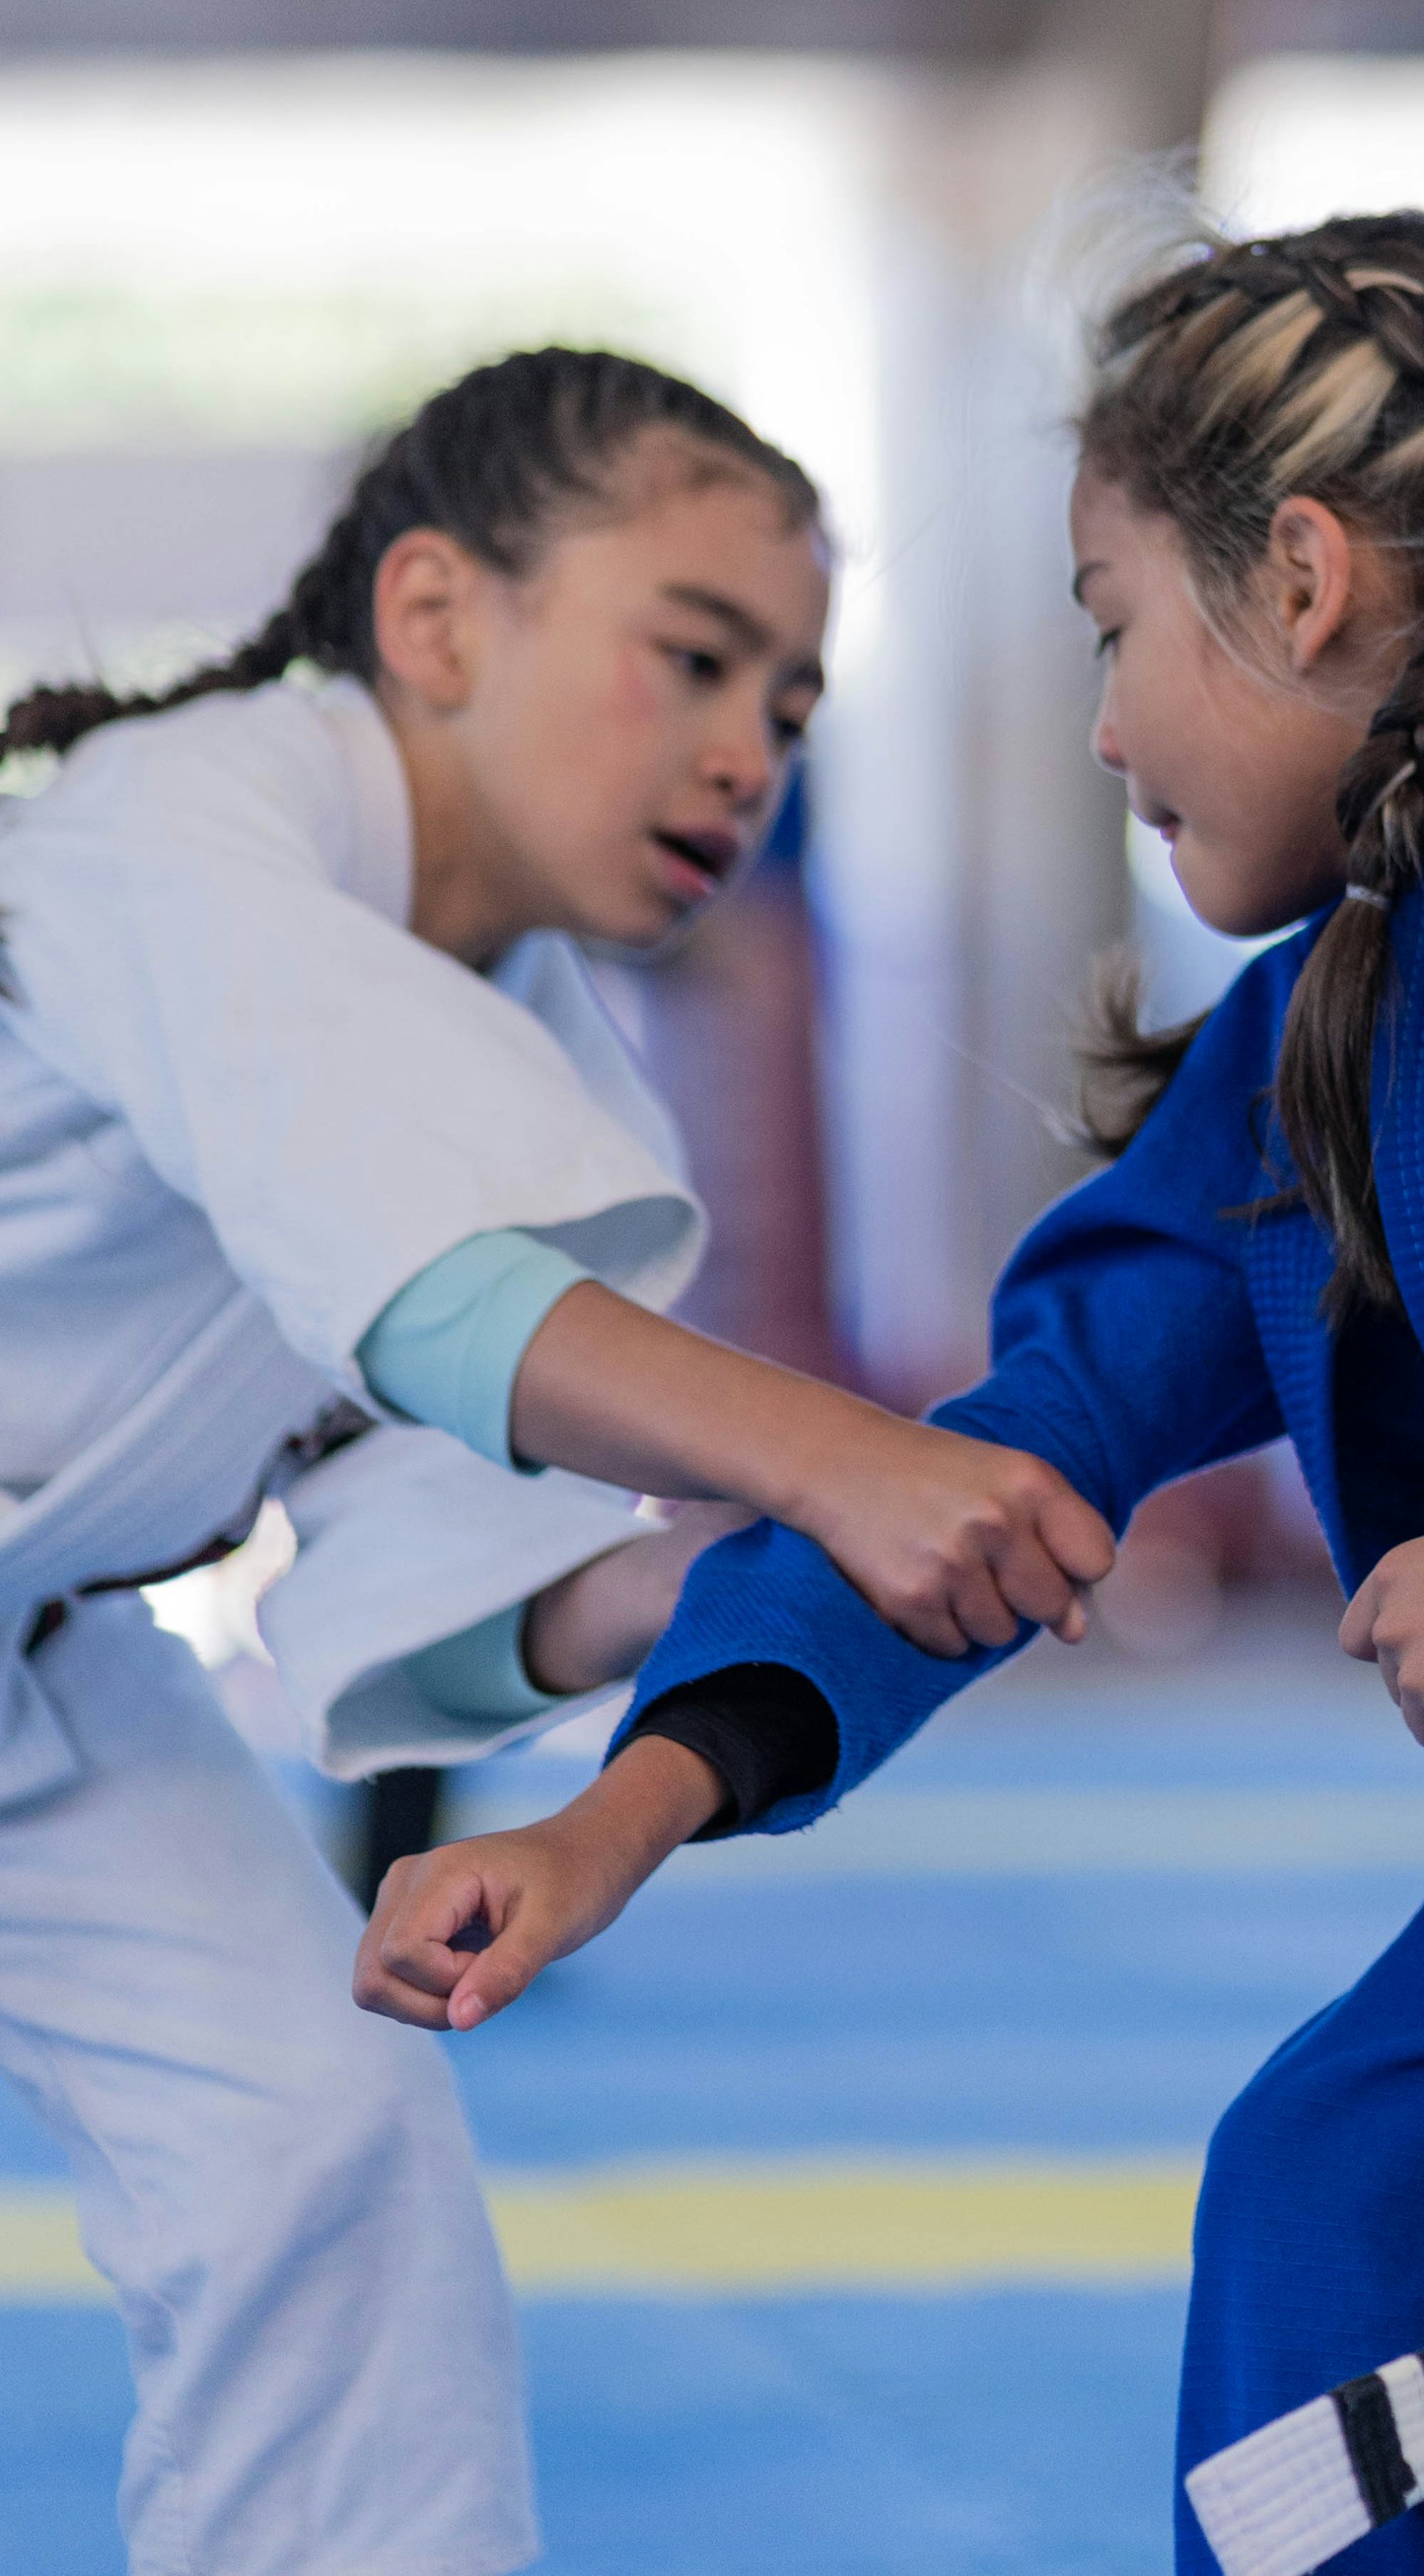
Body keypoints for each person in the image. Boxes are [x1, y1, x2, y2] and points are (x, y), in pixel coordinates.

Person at [357, 226, 1424, 2575]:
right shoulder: (1331, 1040)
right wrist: (623, 1817)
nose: (1099, 728)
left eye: (1109, 623)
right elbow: (1003, 1465)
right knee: (1337, 2214)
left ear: (1299, 580)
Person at [0, 344, 1113, 2576]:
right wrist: (839, 1459)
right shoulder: (172, 822)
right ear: (435, 616)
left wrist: (733, 1561)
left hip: (40, 1671)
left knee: (326, 2147)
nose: (747, 752)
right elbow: (425, 1294)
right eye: (692, 657)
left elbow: (427, 1537)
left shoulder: (532, 1063)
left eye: (789, 705)